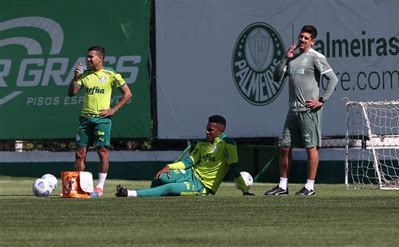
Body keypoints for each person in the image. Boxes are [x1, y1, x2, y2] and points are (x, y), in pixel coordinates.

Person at [264, 25, 338, 196]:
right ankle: (283, 186)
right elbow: (276, 78)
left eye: (306, 38)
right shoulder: (293, 58)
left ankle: (310, 187)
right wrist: (285, 57)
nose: (302, 40)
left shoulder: (316, 57)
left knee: (310, 148)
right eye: (301, 37)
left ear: (313, 41)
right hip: (293, 111)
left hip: (308, 111)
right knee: (284, 147)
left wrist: (321, 100)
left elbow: (333, 79)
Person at [115, 115, 255, 197]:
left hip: (202, 186)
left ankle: (130, 194)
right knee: (161, 176)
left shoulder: (228, 144)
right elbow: (189, 162)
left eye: (210, 130)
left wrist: (245, 192)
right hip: (190, 173)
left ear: (220, 131)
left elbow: (234, 168)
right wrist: (169, 166)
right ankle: (150, 197)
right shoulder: (203, 144)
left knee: (169, 188)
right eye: (206, 128)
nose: (206, 132)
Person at [67, 45, 132, 197]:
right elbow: (71, 93)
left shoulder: (111, 74)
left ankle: (100, 187)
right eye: (88, 56)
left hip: (102, 120)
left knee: (102, 152)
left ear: (100, 58)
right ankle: (76, 188)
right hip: (85, 119)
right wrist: (75, 77)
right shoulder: (85, 75)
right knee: (79, 154)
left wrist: (113, 109)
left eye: (91, 56)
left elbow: (128, 94)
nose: (88, 59)